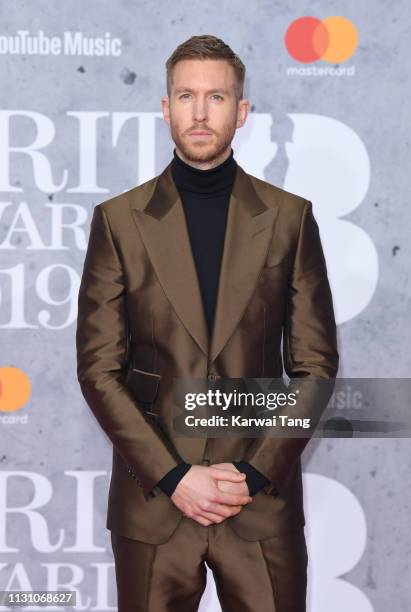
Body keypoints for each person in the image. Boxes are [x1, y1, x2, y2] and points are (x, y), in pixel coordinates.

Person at [76, 34, 338, 612]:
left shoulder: (290, 219)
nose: (200, 111)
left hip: (260, 507)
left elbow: (315, 365)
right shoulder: (119, 222)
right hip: (155, 508)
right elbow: (99, 370)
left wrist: (253, 471)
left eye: (216, 97)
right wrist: (174, 477)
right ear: (165, 108)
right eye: (186, 96)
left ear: (241, 112)